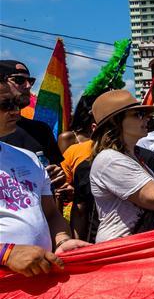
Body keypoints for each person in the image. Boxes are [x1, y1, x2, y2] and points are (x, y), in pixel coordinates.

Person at [1, 80, 90, 277]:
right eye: (5, 105)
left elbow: (50, 214)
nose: (16, 111)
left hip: (40, 284)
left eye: (16, 104)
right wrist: (6, 253)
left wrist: (63, 241)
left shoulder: (29, 158)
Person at [89, 90, 154, 242]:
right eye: (138, 114)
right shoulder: (109, 160)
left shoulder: (134, 157)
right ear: (115, 122)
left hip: (137, 243)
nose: (147, 118)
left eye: (145, 114)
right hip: (121, 248)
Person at [0, 60, 65, 179]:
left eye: (30, 81)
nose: (28, 86)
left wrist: (57, 177)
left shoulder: (41, 130)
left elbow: (56, 171)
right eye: (19, 80)